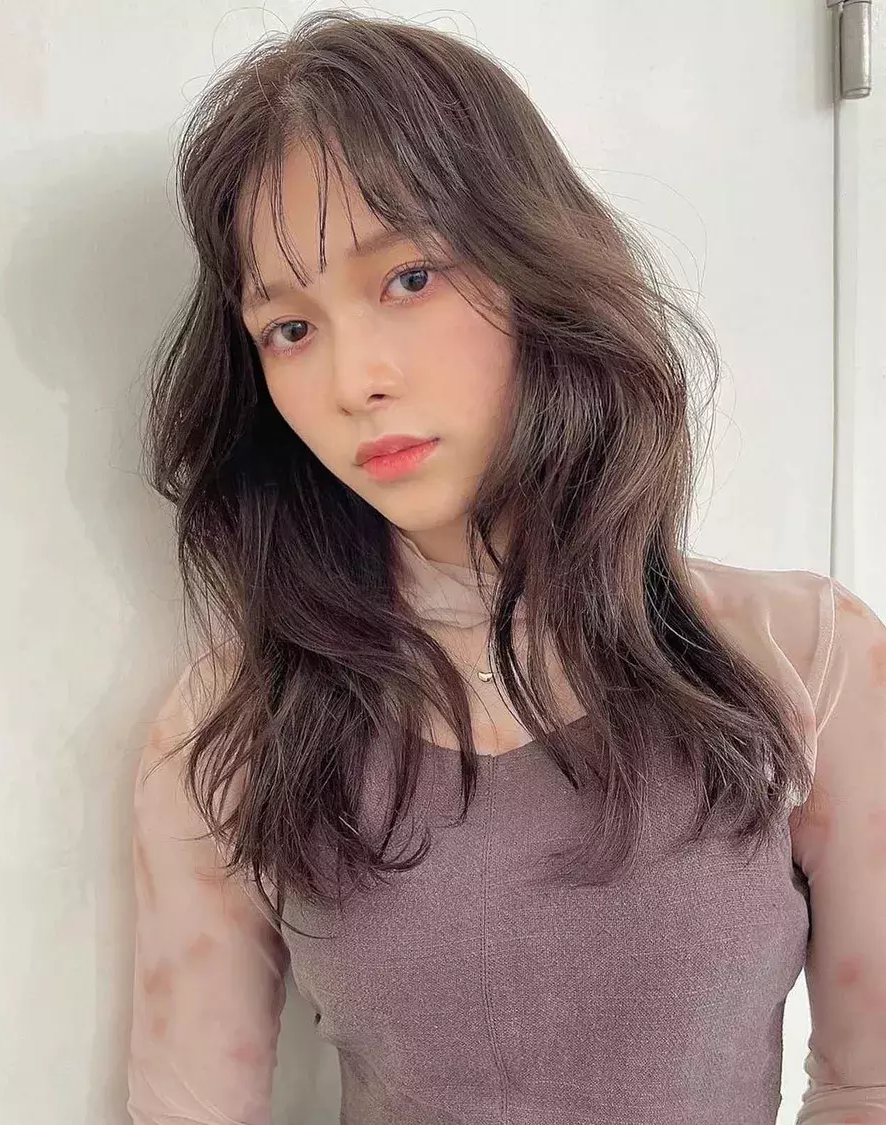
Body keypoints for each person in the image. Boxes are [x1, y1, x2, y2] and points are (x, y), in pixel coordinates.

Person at [127, 9, 886, 1125]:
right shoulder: (229, 729)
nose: (354, 379)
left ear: (535, 264)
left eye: (410, 277)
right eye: (289, 328)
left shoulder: (806, 657)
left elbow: (869, 1084)